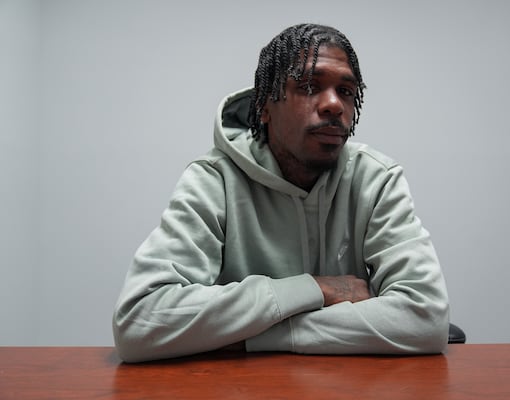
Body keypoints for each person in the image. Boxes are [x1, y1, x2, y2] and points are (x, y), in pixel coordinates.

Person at [112, 23, 449, 363]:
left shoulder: (376, 179)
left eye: (346, 91)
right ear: (263, 106)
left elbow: (426, 318)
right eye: (308, 86)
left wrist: (257, 336)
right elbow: (140, 321)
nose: (334, 104)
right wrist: (318, 288)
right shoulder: (214, 179)